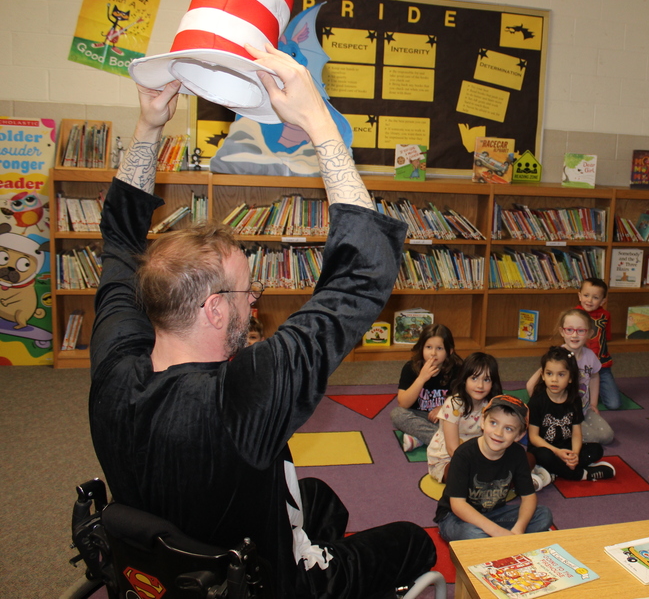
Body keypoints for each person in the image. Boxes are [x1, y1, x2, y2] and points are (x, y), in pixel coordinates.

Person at [88, 44, 435, 599]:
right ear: (215, 308)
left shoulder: (113, 365)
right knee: (414, 539)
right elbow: (359, 277)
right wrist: (321, 122)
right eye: (250, 290)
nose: (258, 303)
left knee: (322, 499)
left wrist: (148, 125)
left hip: (165, 562)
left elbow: (117, 242)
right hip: (264, 583)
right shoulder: (241, 400)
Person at [434, 395, 553, 541]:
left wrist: (519, 529)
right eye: (493, 423)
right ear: (483, 422)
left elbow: (529, 497)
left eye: (509, 429)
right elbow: (458, 505)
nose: (498, 433)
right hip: (455, 517)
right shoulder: (464, 455)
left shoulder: (517, 454)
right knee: (472, 534)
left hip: (494, 513)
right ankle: (497, 540)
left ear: (519, 435)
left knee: (543, 514)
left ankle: (495, 542)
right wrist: (497, 531)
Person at [525, 308, 614, 445]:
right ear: (562, 331)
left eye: (580, 331)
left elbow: (595, 377)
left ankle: (568, 435)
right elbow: (531, 386)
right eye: (570, 330)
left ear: (589, 333)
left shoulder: (590, 356)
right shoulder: (557, 357)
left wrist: (593, 403)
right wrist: (541, 410)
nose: (574, 335)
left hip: (583, 409)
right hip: (563, 414)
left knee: (607, 436)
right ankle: (560, 432)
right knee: (595, 438)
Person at [528, 346, 616, 482]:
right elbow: (533, 437)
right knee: (543, 456)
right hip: (546, 449)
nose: (554, 380)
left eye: (561, 374)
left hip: (566, 448)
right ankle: (582, 474)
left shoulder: (574, 400)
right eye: (549, 373)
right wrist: (557, 452)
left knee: (596, 449)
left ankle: (554, 471)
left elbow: (576, 433)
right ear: (543, 376)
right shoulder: (537, 401)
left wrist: (574, 454)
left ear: (570, 378)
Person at [426, 352, 502, 483]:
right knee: (460, 475)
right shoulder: (453, 405)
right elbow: (452, 450)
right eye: (474, 378)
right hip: (449, 458)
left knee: (523, 459)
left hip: (480, 455)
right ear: (464, 379)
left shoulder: (492, 405)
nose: (480, 385)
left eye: (486, 380)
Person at [391, 323, 462, 451]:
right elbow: (403, 403)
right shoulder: (410, 368)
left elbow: (463, 399)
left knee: (469, 416)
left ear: (449, 351)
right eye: (428, 347)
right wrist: (421, 378)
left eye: (439, 348)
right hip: (420, 416)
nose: (433, 353)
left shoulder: (457, 369)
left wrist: (444, 408)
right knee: (397, 414)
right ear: (421, 348)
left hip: (447, 417)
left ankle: (420, 439)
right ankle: (445, 441)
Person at [576, 277, 621, 410]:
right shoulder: (574, 314)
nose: (589, 300)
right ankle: (588, 388)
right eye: (586, 295)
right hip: (578, 366)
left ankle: (596, 388)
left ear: (603, 300)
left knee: (614, 405)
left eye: (595, 297)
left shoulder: (605, 315)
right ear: (579, 296)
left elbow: (606, 337)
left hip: (602, 365)